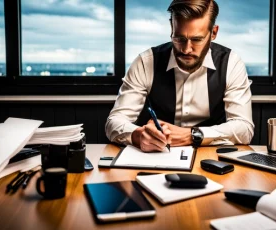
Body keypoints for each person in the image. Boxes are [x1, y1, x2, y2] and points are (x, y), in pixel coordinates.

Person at [105, 0, 254, 152]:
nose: (186, 49)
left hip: (212, 158)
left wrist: (192, 135)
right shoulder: (146, 62)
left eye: (197, 39)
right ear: (172, 28)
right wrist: (138, 135)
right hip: (156, 157)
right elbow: (114, 122)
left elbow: (244, 128)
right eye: (179, 38)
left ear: (213, 33)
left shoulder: (231, 63)